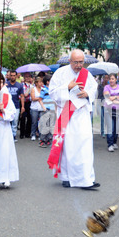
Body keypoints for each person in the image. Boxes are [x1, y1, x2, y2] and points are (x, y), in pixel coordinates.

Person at [47, 49, 99, 189]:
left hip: (81, 114)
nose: (78, 65)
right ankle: (67, 177)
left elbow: (93, 89)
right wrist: (67, 88)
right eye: (75, 62)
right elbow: (52, 92)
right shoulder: (60, 73)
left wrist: (87, 93)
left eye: (81, 62)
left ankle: (86, 178)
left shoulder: (86, 74)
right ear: (69, 61)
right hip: (66, 113)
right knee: (68, 146)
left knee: (85, 146)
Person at [103, 73, 119, 152]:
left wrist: (115, 97)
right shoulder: (106, 87)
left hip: (118, 110)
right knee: (110, 127)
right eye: (110, 79)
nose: (111, 80)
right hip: (108, 110)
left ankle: (114, 142)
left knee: (116, 127)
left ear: (116, 80)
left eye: (113, 79)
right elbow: (107, 98)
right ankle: (110, 144)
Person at [38, 75, 56, 148]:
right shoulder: (43, 89)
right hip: (46, 109)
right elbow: (40, 99)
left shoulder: (53, 89)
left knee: (51, 125)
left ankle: (48, 139)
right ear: (48, 81)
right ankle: (42, 140)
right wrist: (43, 107)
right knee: (45, 125)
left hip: (53, 109)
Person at [6, 71, 24, 141]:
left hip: (16, 106)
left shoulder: (19, 85)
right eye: (11, 75)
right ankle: (8, 135)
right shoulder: (6, 85)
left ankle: (13, 135)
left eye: (14, 75)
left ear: (16, 76)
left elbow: (22, 96)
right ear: (9, 76)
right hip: (6, 106)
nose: (12, 77)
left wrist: (22, 106)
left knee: (15, 121)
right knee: (7, 121)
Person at [30, 76, 46, 141]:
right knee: (34, 122)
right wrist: (40, 98)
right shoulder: (33, 89)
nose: (41, 83)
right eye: (39, 82)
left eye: (41, 82)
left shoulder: (43, 89)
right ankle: (33, 134)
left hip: (41, 108)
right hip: (34, 108)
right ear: (36, 83)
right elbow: (33, 98)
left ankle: (40, 134)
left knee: (41, 122)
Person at [19, 72, 33, 139]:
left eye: (28, 76)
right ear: (24, 77)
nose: (27, 78)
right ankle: (22, 133)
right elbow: (23, 95)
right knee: (23, 118)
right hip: (23, 102)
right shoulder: (21, 85)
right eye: (26, 77)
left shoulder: (32, 86)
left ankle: (28, 133)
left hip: (30, 102)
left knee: (30, 118)